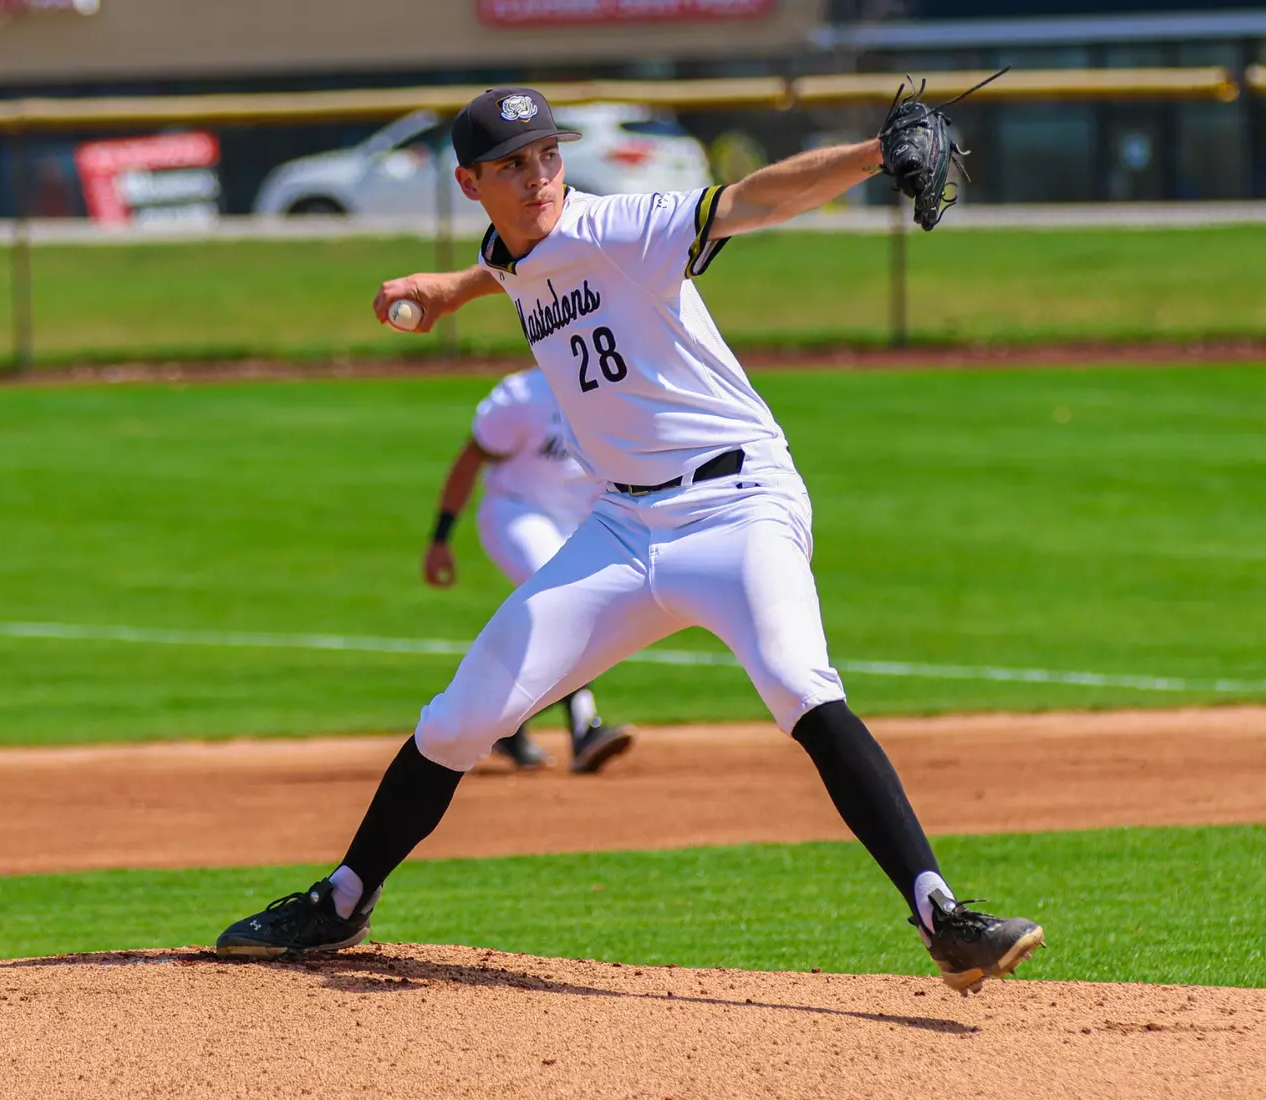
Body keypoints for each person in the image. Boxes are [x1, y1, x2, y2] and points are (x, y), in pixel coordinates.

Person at [218, 87, 1044, 994]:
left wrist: (871, 156)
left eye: (546, 155)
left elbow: (751, 201)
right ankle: (340, 900)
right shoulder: (512, 248)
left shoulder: (626, 226)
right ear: (469, 183)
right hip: (618, 529)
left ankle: (944, 916)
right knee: (460, 717)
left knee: (799, 684)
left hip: (739, 505)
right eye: (512, 165)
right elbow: (513, 266)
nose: (538, 177)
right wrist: (449, 289)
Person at [424, 366, 634, 773]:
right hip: (517, 513)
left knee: (588, 618)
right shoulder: (524, 395)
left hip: (585, 523)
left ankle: (505, 726)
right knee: (566, 601)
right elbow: (470, 459)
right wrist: (440, 540)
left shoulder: (620, 388)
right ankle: (584, 727)